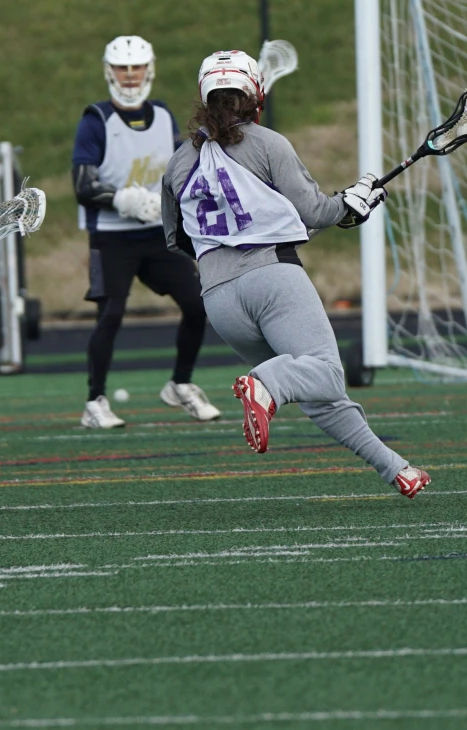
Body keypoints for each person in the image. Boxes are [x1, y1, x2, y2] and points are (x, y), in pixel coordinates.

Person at [162, 50, 429, 496]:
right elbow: (315, 211)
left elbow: (179, 240)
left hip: (219, 302)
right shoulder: (268, 144)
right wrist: (353, 201)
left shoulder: (177, 163)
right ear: (254, 95)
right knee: (325, 373)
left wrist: (324, 215)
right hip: (274, 280)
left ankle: (394, 467)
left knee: (317, 392)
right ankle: (266, 384)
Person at [72, 34, 217, 431]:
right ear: (110, 71)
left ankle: (181, 385)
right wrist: (125, 200)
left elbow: (177, 169)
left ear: (149, 70)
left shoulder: (165, 116)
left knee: (196, 304)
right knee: (111, 314)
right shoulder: (96, 120)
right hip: (112, 238)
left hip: (158, 236)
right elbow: (83, 185)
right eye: (123, 67)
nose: (130, 75)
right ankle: (94, 401)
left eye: (136, 67)